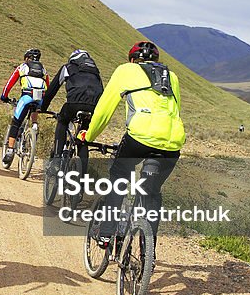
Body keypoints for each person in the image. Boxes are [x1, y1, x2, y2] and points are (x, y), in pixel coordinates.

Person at [79, 41, 186, 258]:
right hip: (173, 142)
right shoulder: (171, 77)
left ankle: (107, 232)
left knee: (119, 177)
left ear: (132, 60)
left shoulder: (126, 70)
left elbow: (104, 110)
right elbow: (174, 111)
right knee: (152, 193)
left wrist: (88, 136)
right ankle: (149, 253)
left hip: (139, 137)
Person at [39, 49, 103, 174]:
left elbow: (53, 89)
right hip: (94, 107)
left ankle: (56, 161)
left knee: (62, 122)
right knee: (83, 136)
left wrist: (43, 107)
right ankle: (83, 174)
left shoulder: (67, 67)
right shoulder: (96, 72)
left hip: (73, 104)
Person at [0, 48, 49, 167]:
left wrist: (4, 96)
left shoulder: (22, 67)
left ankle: (10, 150)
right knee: (35, 105)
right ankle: (34, 125)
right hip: (40, 99)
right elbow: (48, 85)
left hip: (26, 97)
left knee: (16, 123)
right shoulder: (43, 69)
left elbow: (10, 83)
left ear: (27, 58)